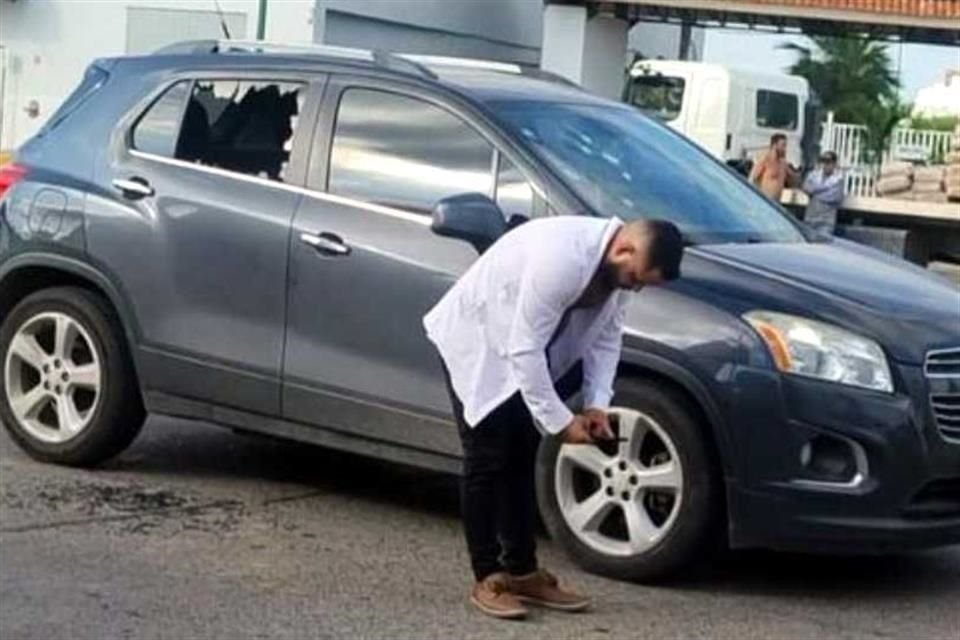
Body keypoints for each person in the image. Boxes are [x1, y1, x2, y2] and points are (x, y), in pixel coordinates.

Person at [423, 216, 684, 620]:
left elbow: (606, 339)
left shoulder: (618, 274)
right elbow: (522, 347)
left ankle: (522, 571)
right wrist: (562, 421)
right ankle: (487, 575)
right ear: (625, 249)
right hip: (480, 338)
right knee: (487, 456)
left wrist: (597, 404)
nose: (636, 287)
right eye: (637, 277)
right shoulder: (562, 257)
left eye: (643, 283)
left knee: (522, 454)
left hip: (526, 346)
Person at [802, 151, 845, 234]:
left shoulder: (838, 179)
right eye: (824, 162)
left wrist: (815, 194)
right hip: (810, 220)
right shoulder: (814, 175)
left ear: (834, 164)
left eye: (828, 162)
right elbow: (806, 187)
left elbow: (836, 198)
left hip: (826, 222)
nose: (825, 165)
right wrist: (826, 189)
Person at [749, 133, 797, 202]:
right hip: (763, 201)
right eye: (783, 145)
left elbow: (793, 179)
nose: (785, 149)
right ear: (775, 145)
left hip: (776, 202)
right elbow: (752, 179)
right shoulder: (765, 159)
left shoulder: (783, 163)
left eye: (785, 146)